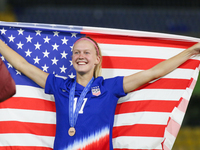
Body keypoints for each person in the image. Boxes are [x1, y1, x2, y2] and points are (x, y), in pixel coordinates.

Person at [0, 37, 200, 150]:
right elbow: (22, 65)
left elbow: (153, 72)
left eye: (87, 52)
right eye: (77, 52)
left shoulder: (109, 87)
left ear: (97, 60)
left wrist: (191, 51)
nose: (81, 56)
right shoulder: (60, 87)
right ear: (72, 59)